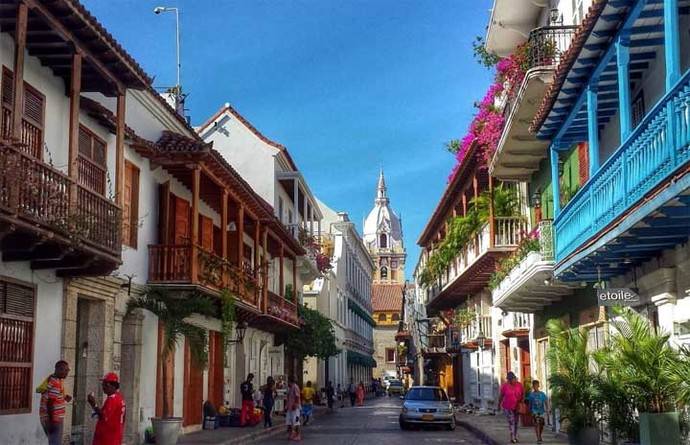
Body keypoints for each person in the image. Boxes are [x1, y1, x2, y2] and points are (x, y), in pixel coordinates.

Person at [39, 360, 72, 445]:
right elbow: (50, 403)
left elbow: (52, 396)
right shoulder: (56, 383)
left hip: (52, 417)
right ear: (58, 369)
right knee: (55, 442)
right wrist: (52, 421)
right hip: (53, 418)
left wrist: (64, 397)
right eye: (65, 370)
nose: (67, 372)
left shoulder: (54, 378)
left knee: (54, 441)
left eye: (68, 370)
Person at [88, 372, 126, 445]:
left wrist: (94, 404)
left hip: (108, 437)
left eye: (104, 384)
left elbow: (104, 416)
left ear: (110, 385)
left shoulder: (112, 399)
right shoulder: (119, 398)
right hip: (115, 436)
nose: (103, 387)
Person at [498, 371, 524, 444]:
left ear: (514, 378)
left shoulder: (519, 385)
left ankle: (514, 436)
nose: (510, 381)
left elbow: (522, 394)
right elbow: (501, 396)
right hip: (508, 407)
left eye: (511, 379)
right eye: (509, 380)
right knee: (511, 422)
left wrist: (522, 402)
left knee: (516, 422)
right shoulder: (505, 386)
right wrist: (498, 405)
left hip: (517, 406)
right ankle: (512, 437)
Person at [526, 380, 549, 444]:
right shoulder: (531, 395)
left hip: (541, 411)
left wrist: (547, 409)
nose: (535, 387)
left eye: (536, 385)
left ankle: (539, 435)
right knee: (537, 423)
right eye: (534, 386)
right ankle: (538, 437)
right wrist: (530, 411)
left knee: (541, 424)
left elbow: (546, 401)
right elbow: (530, 404)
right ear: (533, 387)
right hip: (534, 411)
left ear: (538, 386)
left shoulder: (542, 394)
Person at [286, 376, 302, 441]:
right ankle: (291, 434)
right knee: (289, 422)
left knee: (296, 422)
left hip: (295, 408)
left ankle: (298, 435)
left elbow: (297, 397)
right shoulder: (290, 388)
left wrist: (295, 404)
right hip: (289, 407)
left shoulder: (295, 387)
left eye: (288, 381)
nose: (287, 383)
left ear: (290, 381)